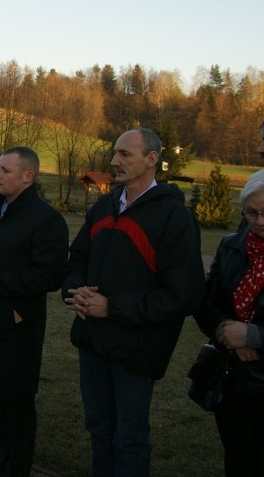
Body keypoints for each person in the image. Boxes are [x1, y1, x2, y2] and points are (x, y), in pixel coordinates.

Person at [63, 128, 205, 477]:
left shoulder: (174, 218)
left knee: (129, 438)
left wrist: (112, 307)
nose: (114, 161)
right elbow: (77, 258)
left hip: (137, 350)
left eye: (125, 154)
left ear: (152, 159)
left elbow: (183, 295)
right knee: (98, 429)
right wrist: (77, 290)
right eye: (115, 153)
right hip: (93, 341)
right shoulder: (106, 206)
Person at [0, 146, 69, 477]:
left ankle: (14, 469)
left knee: (14, 408)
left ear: (28, 177)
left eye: (5, 171)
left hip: (16, 329)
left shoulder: (47, 220)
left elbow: (49, 275)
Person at [194, 169, 264, 476]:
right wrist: (224, 330)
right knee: (238, 457)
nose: (259, 221)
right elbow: (205, 302)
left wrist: (253, 335)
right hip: (233, 376)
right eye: (251, 213)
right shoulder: (230, 246)